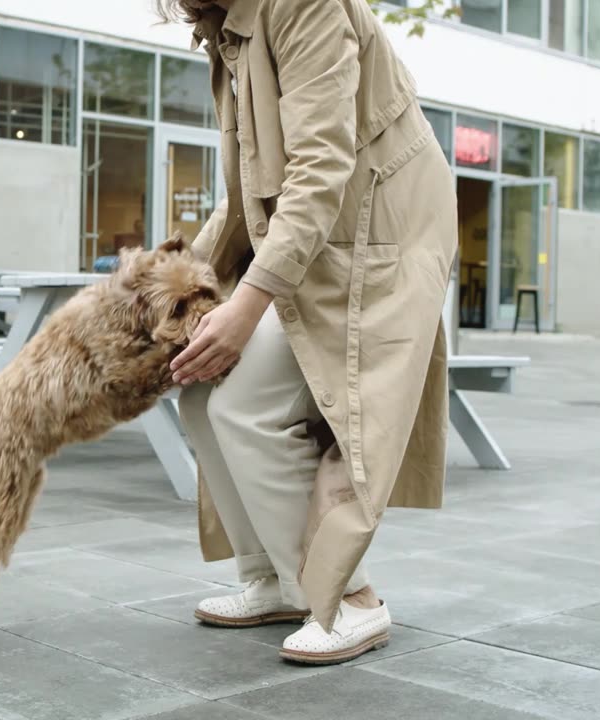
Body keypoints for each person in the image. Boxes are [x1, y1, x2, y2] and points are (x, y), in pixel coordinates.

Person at [160, 0, 457, 665]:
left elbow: (320, 167)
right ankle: (273, 579)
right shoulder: (226, 29)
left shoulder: (303, 4)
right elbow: (248, 190)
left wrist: (246, 307)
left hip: (379, 239)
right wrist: (182, 278)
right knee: (204, 397)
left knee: (246, 402)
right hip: (320, 240)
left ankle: (350, 599)